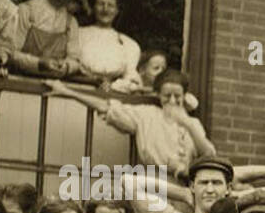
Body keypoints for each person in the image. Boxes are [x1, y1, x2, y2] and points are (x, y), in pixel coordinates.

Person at [45, 70, 215, 187]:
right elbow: (106, 107)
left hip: (184, 189)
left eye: (177, 96)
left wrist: (187, 123)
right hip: (152, 185)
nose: (172, 100)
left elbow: (209, 154)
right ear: (157, 95)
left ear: (184, 96)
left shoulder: (192, 123)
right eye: (166, 95)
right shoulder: (147, 115)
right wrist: (68, 92)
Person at [0, 0, 86, 78]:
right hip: (20, 82)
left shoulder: (71, 22)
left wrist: (67, 66)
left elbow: (75, 59)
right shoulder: (27, 10)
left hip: (54, 87)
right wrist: (39, 63)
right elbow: (9, 52)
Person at [78, 0, 143, 91]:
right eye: (101, 4)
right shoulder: (79, 35)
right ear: (93, 7)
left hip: (114, 93)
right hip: (80, 89)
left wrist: (114, 86)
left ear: (117, 10)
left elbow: (131, 78)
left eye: (111, 5)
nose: (105, 9)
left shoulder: (128, 44)